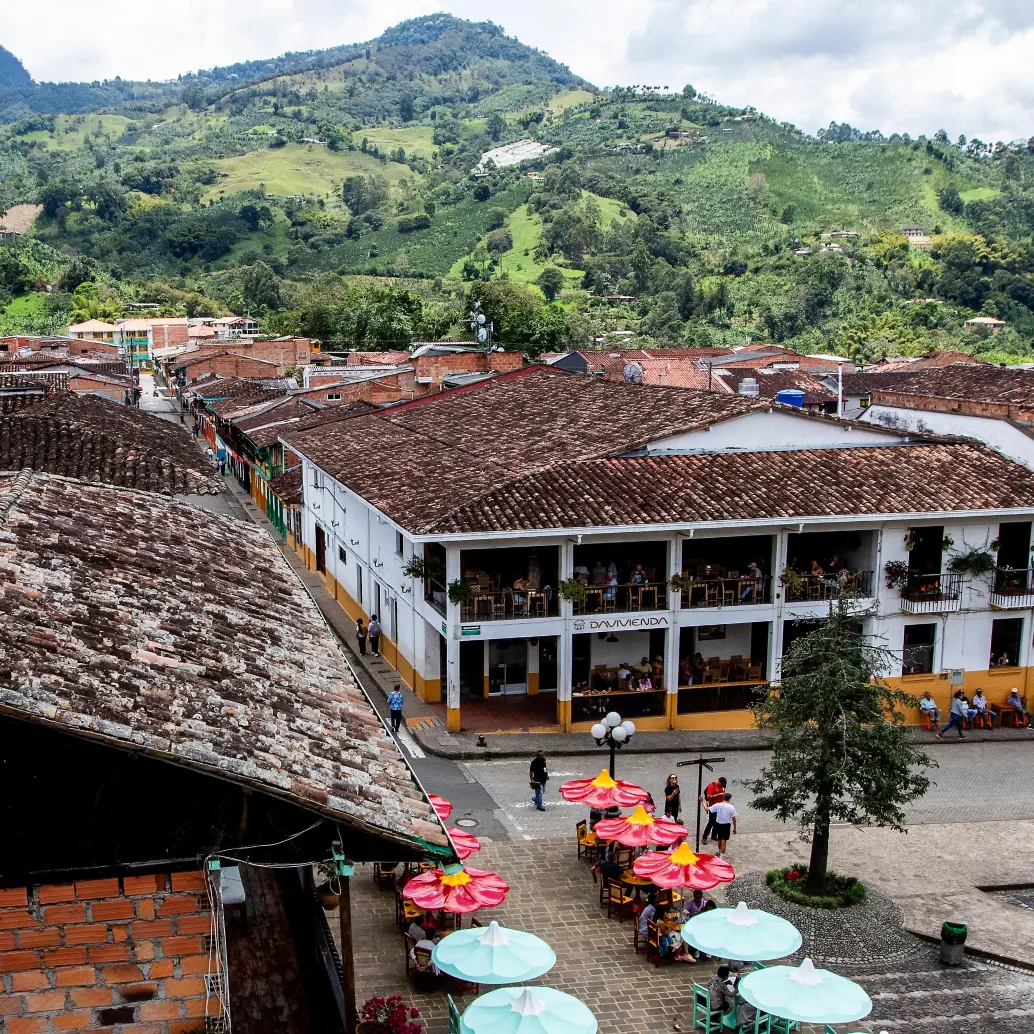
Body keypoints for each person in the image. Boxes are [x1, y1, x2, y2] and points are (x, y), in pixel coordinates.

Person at [700, 775, 728, 845]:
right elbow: (708, 797)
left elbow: (724, 793)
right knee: (711, 822)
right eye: (722, 784)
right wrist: (718, 794)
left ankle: (714, 835)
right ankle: (704, 837)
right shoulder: (712, 786)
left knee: (717, 821)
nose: (722, 786)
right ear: (718, 781)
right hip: (713, 806)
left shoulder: (723, 787)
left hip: (720, 806)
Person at [708, 792, 737, 858]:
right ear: (729, 799)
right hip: (726, 826)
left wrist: (702, 801)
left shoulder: (718, 805)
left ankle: (719, 850)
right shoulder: (731, 807)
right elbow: (734, 819)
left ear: (723, 798)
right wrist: (734, 828)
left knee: (719, 839)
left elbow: (708, 809)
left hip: (718, 824)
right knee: (724, 842)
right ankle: (721, 856)